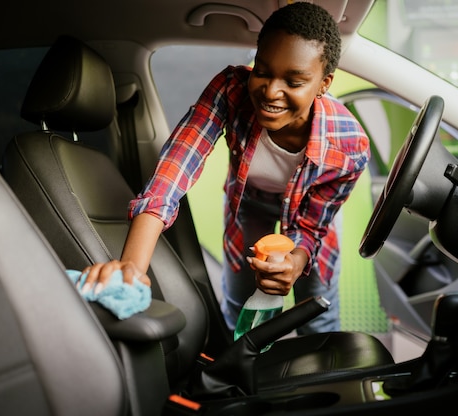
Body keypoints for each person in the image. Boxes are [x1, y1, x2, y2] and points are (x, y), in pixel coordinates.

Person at [81, 1, 370, 334]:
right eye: (262, 71)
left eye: (294, 82)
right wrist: (131, 268)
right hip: (248, 204)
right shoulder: (231, 89)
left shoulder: (350, 146)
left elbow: (311, 227)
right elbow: (174, 168)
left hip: (307, 211)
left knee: (316, 312)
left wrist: (296, 260)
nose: (271, 91)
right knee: (240, 308)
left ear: (324, 84)